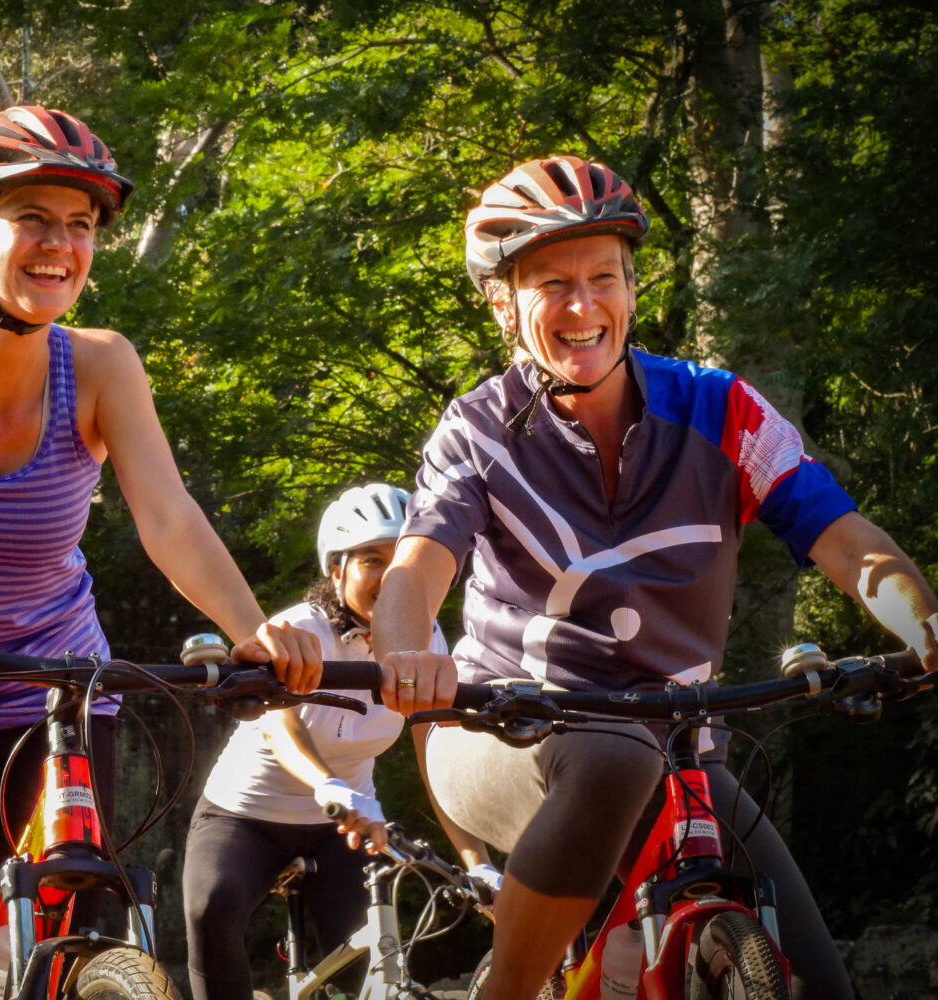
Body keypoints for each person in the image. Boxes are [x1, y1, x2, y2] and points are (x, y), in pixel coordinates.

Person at [0, 105, 385, 998]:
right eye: (33, 218)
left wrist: (253, 630)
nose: (59, 245)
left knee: (77, 875)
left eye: (80, 226)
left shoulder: (103, 365)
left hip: (56, 685)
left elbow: (168, 517)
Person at [371, 155, 938, 1000]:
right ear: (502, 301)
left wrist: (925, 625)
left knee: (823, 987)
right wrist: (408, 647)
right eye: (550, 284)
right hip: (504, 731)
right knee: (609, 760)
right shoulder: (476, 430)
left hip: (683, 750)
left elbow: (844, 540)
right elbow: (417, 567)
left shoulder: (721, 407)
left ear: (633, 290)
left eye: (604, 277)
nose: (582, 305)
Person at [182, 484, 497, 1000]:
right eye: (373, 559)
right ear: (336, 570)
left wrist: (477, 862)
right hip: (245, 816)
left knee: (365, 965)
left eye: (403, 561)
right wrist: (330, 785)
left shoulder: (426, 643)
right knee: (211, 908)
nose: (391, 577)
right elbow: (281, 725)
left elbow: (435, 756)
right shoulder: (297, 630)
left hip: (339, 831)